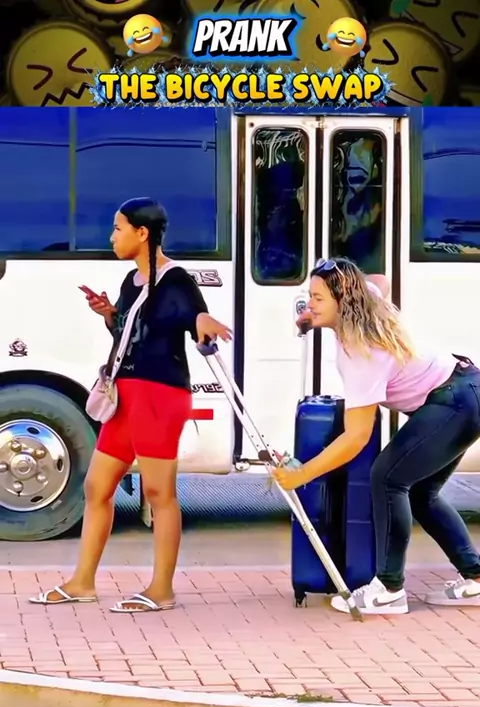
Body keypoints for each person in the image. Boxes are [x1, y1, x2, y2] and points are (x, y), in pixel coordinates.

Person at [31, 197, 231, 613]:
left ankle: (162, 590)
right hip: (125, 395)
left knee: (159, 492)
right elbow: (130, 333)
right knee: (96, 487)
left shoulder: (176, 280)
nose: (112, 237)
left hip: (160, 395)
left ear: (142, 233)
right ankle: (82, 582)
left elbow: (193, 316)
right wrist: (110, 314)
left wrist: (204, 323)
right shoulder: (131, 282)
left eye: (118, 228)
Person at [273, 257, 480, 615]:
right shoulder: (364, 298)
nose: (309, 305)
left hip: (454, 402)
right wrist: (315, 314)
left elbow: (356, 437)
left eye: (318, 298)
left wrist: (302, 474)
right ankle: (475, 578)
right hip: (466, 389)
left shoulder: (360, 351)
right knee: (421, 493)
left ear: (343, 300)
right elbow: (380, 280)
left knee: (387, 478)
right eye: (310, 297)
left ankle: (388, 589)